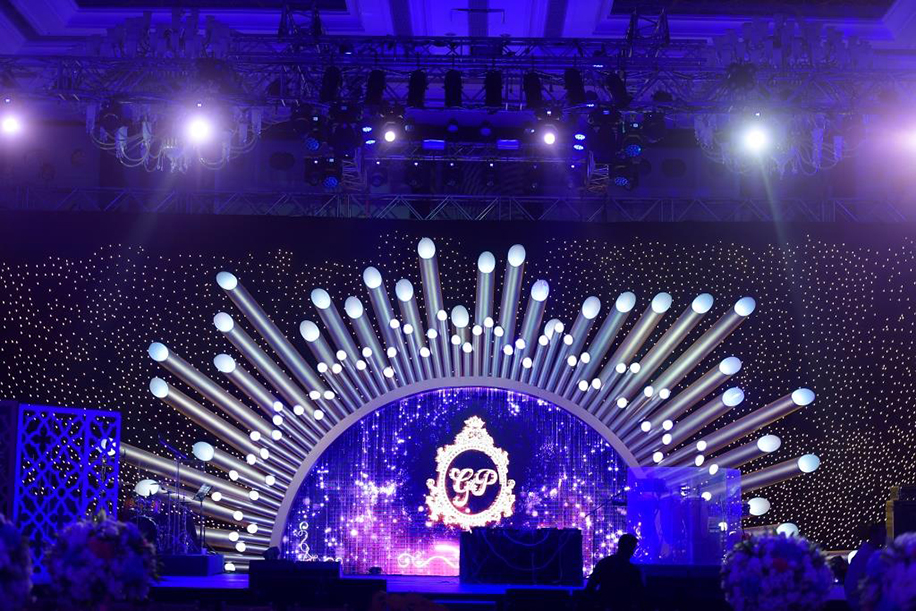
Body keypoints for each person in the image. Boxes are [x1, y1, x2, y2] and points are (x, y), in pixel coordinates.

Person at [583, 533, 648, 611]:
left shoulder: (604, 563)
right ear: (631, 549)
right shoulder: (633, 570)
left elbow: (590, 586)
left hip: (605, 605)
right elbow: (640, 593)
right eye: (633, 548)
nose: (633, 552)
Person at [845, 523, 886, 610]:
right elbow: (856, 579)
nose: (885, 537)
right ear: (873, 535)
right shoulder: (866, 555)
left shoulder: (869, 553)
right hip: (862, 601)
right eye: (883, 534)